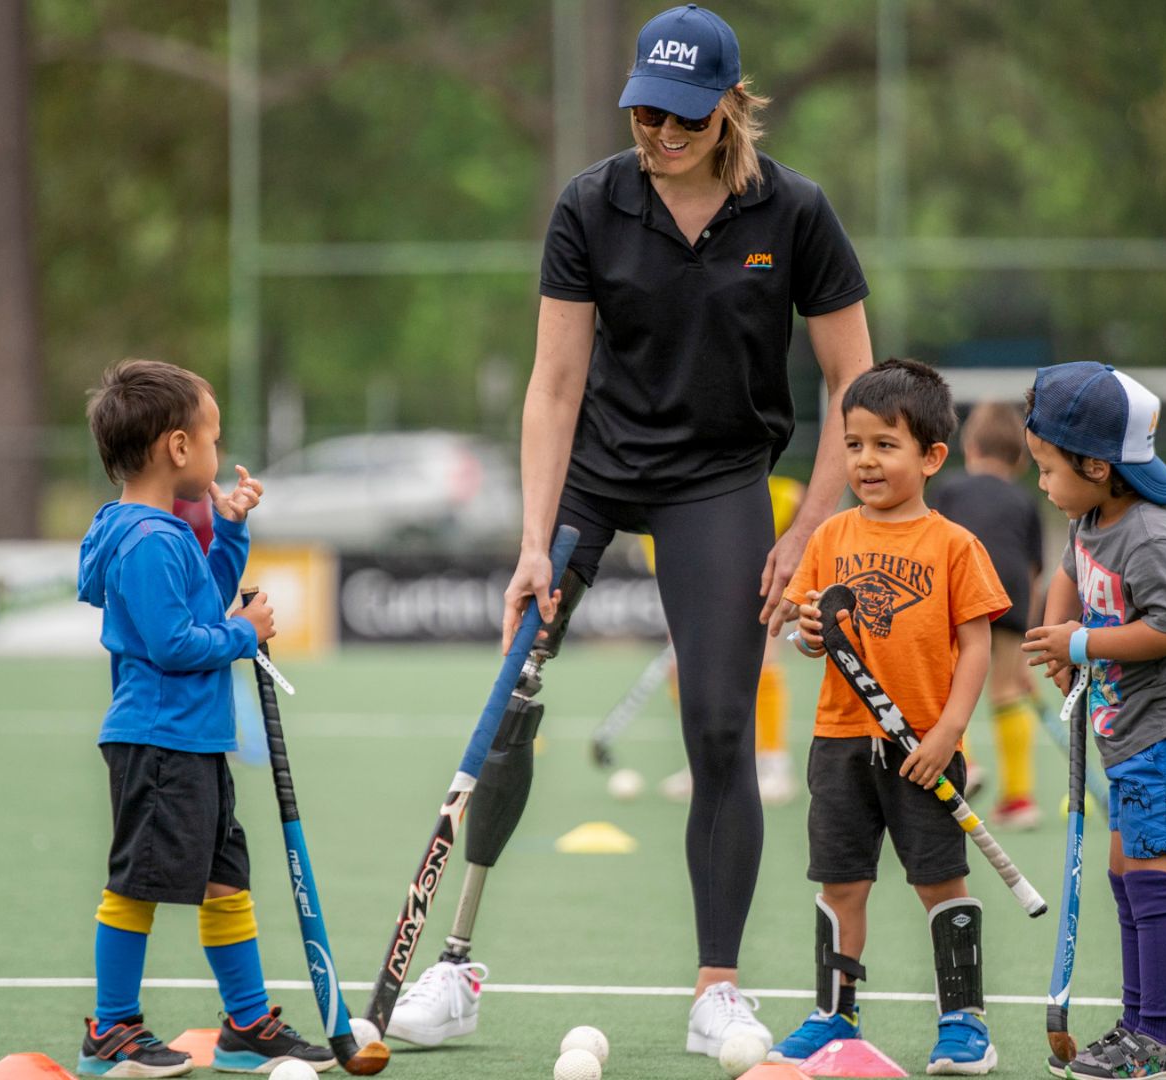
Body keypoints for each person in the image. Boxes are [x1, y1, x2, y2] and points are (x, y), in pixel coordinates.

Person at [391, 4, 876, 1058]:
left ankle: (717, 994)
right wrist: (534, 542)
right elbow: (555, 383)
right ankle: (456, 964)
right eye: (644, 112)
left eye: (683, 119)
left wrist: (811, 530)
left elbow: (854, 383)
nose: (658, 133)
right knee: (513, 695)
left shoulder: (794, 213)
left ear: (730, 110)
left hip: (721, 478)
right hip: (595, 473)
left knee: (716, 726)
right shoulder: (590, 205)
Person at [74, 359, 333, 1076]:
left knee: (225, 879)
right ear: (179, 449)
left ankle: (247, 1025)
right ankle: (112, 1028)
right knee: (136, 883)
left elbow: (200, 608)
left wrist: (230, 532)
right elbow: (176, 643)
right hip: (158, 742)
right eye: (214, 438)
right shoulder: (150, 539)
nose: (221, 454)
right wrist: (246, 633)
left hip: (191, 740)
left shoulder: (163, 533)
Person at [771, 360, 1010, 1075]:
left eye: (885, 444)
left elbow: (976, 647)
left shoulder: (954, 546)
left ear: (933, 456)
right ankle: (833, 1014)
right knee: (841, 883)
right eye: (854, 444)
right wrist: (805, 634)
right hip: (841, 742)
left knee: (939, 882)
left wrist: (947, 734)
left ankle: (965, 1023)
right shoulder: (832, 536)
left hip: (924, 751)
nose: (865, 460)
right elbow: (805, 628)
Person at [1021, 362, 1166, 1080]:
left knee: (1151, 880)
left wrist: (1083, 643)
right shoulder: (1089, 518)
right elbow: (1065, 576)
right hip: (1127, 732)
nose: (1042, 483)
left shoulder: (1150, 534)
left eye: (1048, 468)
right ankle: (1139, 1026)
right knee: (1123, 875)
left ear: (1097, 464)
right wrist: (1057, 633)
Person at [932, 401, 1048, 829]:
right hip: (1012, 595)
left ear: (968, 445)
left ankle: (966, 762)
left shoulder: (948, 489)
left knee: (944, 683)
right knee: (1006, 690)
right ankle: (1020, 801)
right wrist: (1028, 640)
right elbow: (1034, 572)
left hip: (961, 591)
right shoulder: (1025, 501)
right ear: (1021, 459)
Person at [657, 474, 807, 806]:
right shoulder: (659, 504)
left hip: (757, 577)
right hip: (700, 584)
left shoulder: (771, 490)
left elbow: (799, 497)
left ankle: (774, 762)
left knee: (762, 665)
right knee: (679, 667)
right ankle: (703, 762)